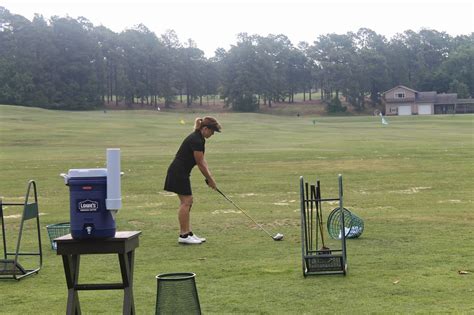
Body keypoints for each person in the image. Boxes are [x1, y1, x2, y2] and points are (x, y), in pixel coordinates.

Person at [164, 116, 221, 244]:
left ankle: (187, 233)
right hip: (178, 172)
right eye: (212, 131)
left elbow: (203, 161)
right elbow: (200, 163)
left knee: (188, 201)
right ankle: (183, 235)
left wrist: (210, 177)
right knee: (186, 202)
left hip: (181, 172)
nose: (212, 134)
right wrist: (210, 179)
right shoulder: (196, 140)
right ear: (205, 128)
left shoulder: (199, 138)